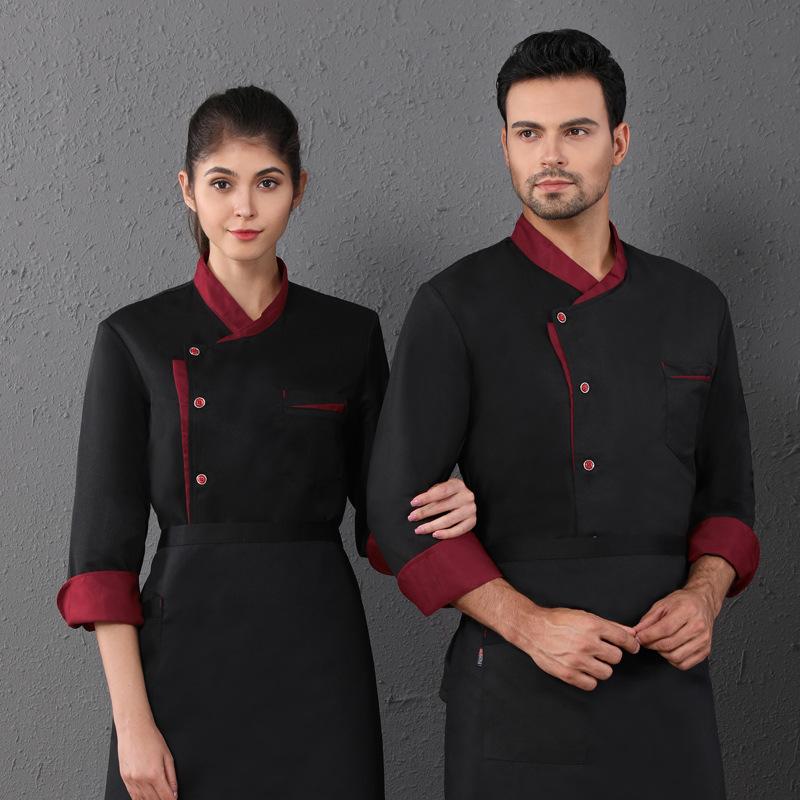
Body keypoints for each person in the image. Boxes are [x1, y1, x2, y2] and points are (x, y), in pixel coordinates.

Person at [366, 29, 759, 800]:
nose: (550, 154)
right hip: (515, 691)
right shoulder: (455, 305)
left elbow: (731, 500)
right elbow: (391, 510)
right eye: (528, 133)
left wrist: (703, 596)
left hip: (666, 687)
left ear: (618, 142)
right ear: (506, 146)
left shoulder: (694, 305)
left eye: (575, 131)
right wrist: (530, 626)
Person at [55, 85, 479, 800]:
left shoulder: (348, 334)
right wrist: (133, 725)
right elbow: (102, 558)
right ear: (188, 190)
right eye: (222, 183)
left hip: (319, 658)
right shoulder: (134, 338)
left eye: (267, 183)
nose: (244, 208)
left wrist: (457, 501)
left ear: (299, 190)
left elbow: (386, 523)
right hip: (182, 660)